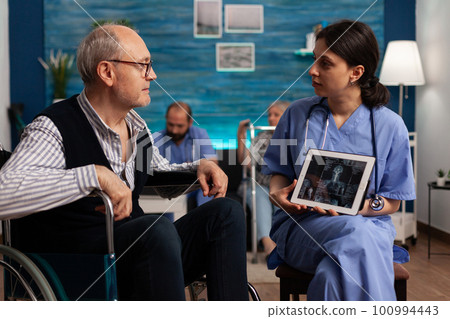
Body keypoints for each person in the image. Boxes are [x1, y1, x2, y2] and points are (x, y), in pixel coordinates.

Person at [0, 24, 248, 301]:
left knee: (226, 212)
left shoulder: (136, 128)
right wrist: (95, 175)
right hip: (82, 266)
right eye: (143, 65)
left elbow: (157, 174)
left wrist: (197, 168)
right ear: (107, 72)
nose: (152, 75)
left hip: (138, 253)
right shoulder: (52, 127)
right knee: (156, 228)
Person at [263, 20, 415, 301]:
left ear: (356, 72)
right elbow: (278, 172)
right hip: (302, 228)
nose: (313, 70)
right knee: (356, 237)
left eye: (326, 63)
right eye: (313, 60)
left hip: (369, 228)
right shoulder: (296, 115)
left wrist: (356, 209)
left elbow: (393, 200)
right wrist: (277, 195)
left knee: (332, 274)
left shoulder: (391, 127)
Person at [236, 101, 289, 258]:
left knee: (284, 200)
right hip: (260, 184)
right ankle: (268, 246)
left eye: (276, 115)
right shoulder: (262, 136)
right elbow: (246, 163)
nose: (271, 118)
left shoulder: (295, 136)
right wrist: (241, 136)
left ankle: (286, 245)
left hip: (284, 186)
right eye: (269, 115)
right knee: (259, 194)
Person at [154, 101, 217, 207]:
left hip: (196, 185)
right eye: (170, 124)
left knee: (206, 190)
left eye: (179, 126)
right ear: (166, 119)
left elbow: (212, 163)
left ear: (190, 122)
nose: (174, 130)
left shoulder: (200, 134)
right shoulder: (156, 139)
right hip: (170, 187)